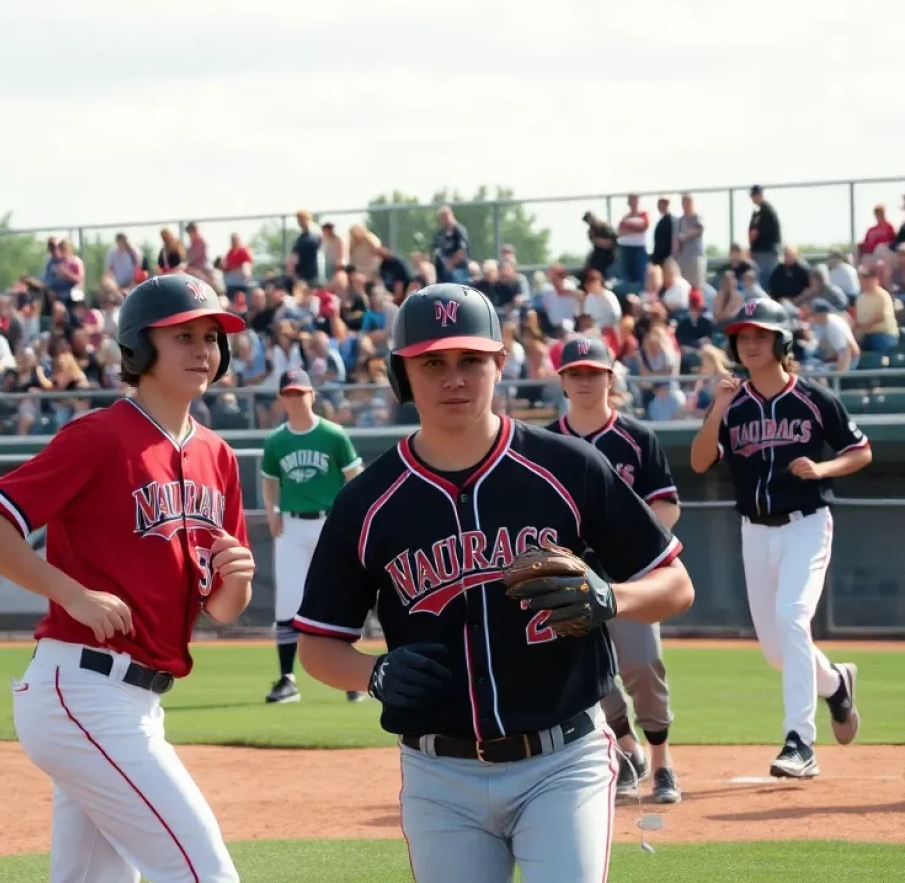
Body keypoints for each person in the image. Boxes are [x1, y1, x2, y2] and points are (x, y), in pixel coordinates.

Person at [294, 283, 694, 883]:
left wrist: (614, 598)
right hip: (439, 776)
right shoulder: (367, 502)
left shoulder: (569, 467)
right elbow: (318, 647)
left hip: (564, 760)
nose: (454, 378)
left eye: (470, 360)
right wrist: (372, 673)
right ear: (404, 373)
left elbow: (675, 584)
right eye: (433, 363)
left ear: (499, 365)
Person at [0, 273, 253, 883]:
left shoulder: (217, 456)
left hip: (137, 699)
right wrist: (69, 591)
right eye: (184, 336)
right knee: (205, 873)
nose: (203, 349)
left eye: (211, 337)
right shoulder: (100, 436)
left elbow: (223, 610)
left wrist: (237, 577)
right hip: (82, 687)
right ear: (139, 350)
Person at [690, 297, 868, 779]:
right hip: (754, 532)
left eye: (760, 335)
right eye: (742, 337)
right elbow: (700, 461)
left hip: (806, 525)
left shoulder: (811, 398)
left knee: (793, 618)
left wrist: (825, 467)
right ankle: (835, 684)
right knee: (776, 649)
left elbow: (860, 450)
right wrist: (717, 409)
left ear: (781, 341)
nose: (749, 344)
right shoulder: (733, 402)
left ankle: (799, 742)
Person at [545, 337, 683, 804]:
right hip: (573, 578)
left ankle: (662, 764)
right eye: (576, 373)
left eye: (593, 372)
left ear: (610, 377)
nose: (585, 381)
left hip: (629, 576)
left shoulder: (637, 437)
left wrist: (638, 549)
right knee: (591, 677)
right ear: (563, 380)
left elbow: (665, 507)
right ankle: (628, 752)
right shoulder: (546, 443)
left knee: (643, 666)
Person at [260, 369, 364, 704]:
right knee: (288, 601)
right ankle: (287, 679)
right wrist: (271, 511)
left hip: (328, 524)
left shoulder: (333, 434)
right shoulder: (277, 440)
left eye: (301, 392)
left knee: (340, 598)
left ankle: (351, 678)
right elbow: (270, 480)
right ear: (281, 398)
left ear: (313, 395)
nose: (295, 398)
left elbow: (355, 477)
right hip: (291, 525)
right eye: (289, 393)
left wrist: (350, 519)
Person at [853, 266, 900, 353]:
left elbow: (881, 317)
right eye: (863, 278)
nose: (865, 281)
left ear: (876, 280)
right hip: (865, 336)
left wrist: (863, 326)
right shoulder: (860, 298)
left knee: (877, 349)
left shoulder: (883, 296)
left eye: (869, 278)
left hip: (884, 335)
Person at [747, 186, 781, 289]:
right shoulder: (758, 211)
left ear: (760, 195)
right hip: (760, 252)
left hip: (766, 252)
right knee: (762, 282)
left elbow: (756, 233)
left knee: (765, 283)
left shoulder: (766, 211)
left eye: (755, 195)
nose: (753, 198)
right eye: (752, 195)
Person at [616, 194, 650, 287]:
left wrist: (628, 227)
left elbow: (643, 227)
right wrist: (633, 228)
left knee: (640, 275)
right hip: (625, 248)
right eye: (631, 201)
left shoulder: (643, 214)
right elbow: (620, 232)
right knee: (626, 276)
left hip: (639, 248)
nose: (633, 203)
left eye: (635, 201)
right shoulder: (625, 216)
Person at [431, 206, 471, 284]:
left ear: (451, 215)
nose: (444, 220)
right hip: (442, 272)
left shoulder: (459, 230)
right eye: (441, 218)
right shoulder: (440, 234)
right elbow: (435, 250)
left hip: (457, 270)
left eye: (446, 216)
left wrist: (450, 264)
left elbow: (462, 250)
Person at [675, 194, 706, 288]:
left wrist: (685, 235)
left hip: (695, 256)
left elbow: (699, 229)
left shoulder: (696, 217)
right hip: (683, 258)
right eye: (684, 202)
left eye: (688, 202)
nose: (686, 205)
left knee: (696, 285)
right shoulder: (680, 220)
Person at [289, 209, 323, 286]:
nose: (300, 222)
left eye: (302, 219)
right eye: (299, 219)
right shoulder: (301, 238)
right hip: (301, 274)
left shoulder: (315, 235)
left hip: (312, 273)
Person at [651, 197, 676, 267]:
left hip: (664, 256)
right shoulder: (663, 220)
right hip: (660, 255)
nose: (658, 207)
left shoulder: (668, 220)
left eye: (660, 205)